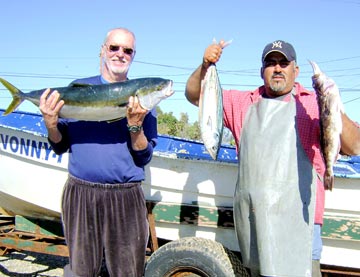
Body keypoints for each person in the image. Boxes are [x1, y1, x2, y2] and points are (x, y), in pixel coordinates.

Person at [185, 40, 360, 277]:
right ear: (261, 71)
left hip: (300, 229)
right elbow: (195, 95)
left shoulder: (312, 103)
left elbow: (355, 145)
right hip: (255, 227)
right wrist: (205, 65)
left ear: (295, 71)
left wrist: (331, 104)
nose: (277, 68)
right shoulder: (241, 102)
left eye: (283, 63)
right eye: (271, 63)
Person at [39, 27, 156, 276]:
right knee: (81, 270)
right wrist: (51, 124)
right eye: (114, 47)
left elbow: (144, 156)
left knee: (128, 271)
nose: (120, 54)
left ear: (133, 55)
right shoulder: (77, 89)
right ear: (103, 50)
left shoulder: (143, 99)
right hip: (80, 192)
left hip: (126, 196)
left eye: (127, 50)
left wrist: (135, 125)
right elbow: (60, 144)